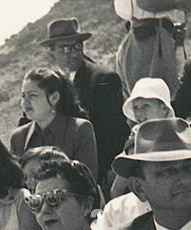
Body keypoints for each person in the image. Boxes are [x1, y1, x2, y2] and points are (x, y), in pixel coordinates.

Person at [43, 17, 130, 187]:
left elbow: (116, 134)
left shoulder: (103, 79)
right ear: (51, 52)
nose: (74, 53)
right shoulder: (47, 84)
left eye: (78, 46)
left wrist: (108, 174)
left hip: (98, 175)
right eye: (66, 49)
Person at [10, 68, 99, 181]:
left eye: (32, 95)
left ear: (54, 98)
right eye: (23, 96)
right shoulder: (18, 137)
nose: (25, 102)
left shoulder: (80, 129)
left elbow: (88, 182)